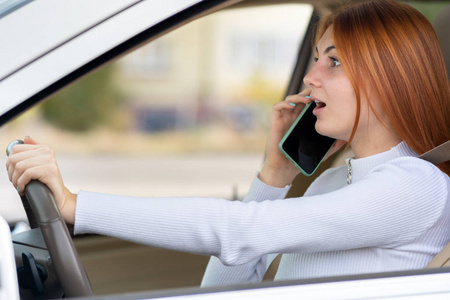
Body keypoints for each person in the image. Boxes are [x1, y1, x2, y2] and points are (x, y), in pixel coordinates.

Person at [6, 0, 450, 287]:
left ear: (391, 78)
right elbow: (222, 290)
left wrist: (74, 205)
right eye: (315, 59)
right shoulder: (333, 185)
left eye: (333, 62)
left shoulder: (414, 186)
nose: (310, 78)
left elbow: (238, 231)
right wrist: (275, 175)